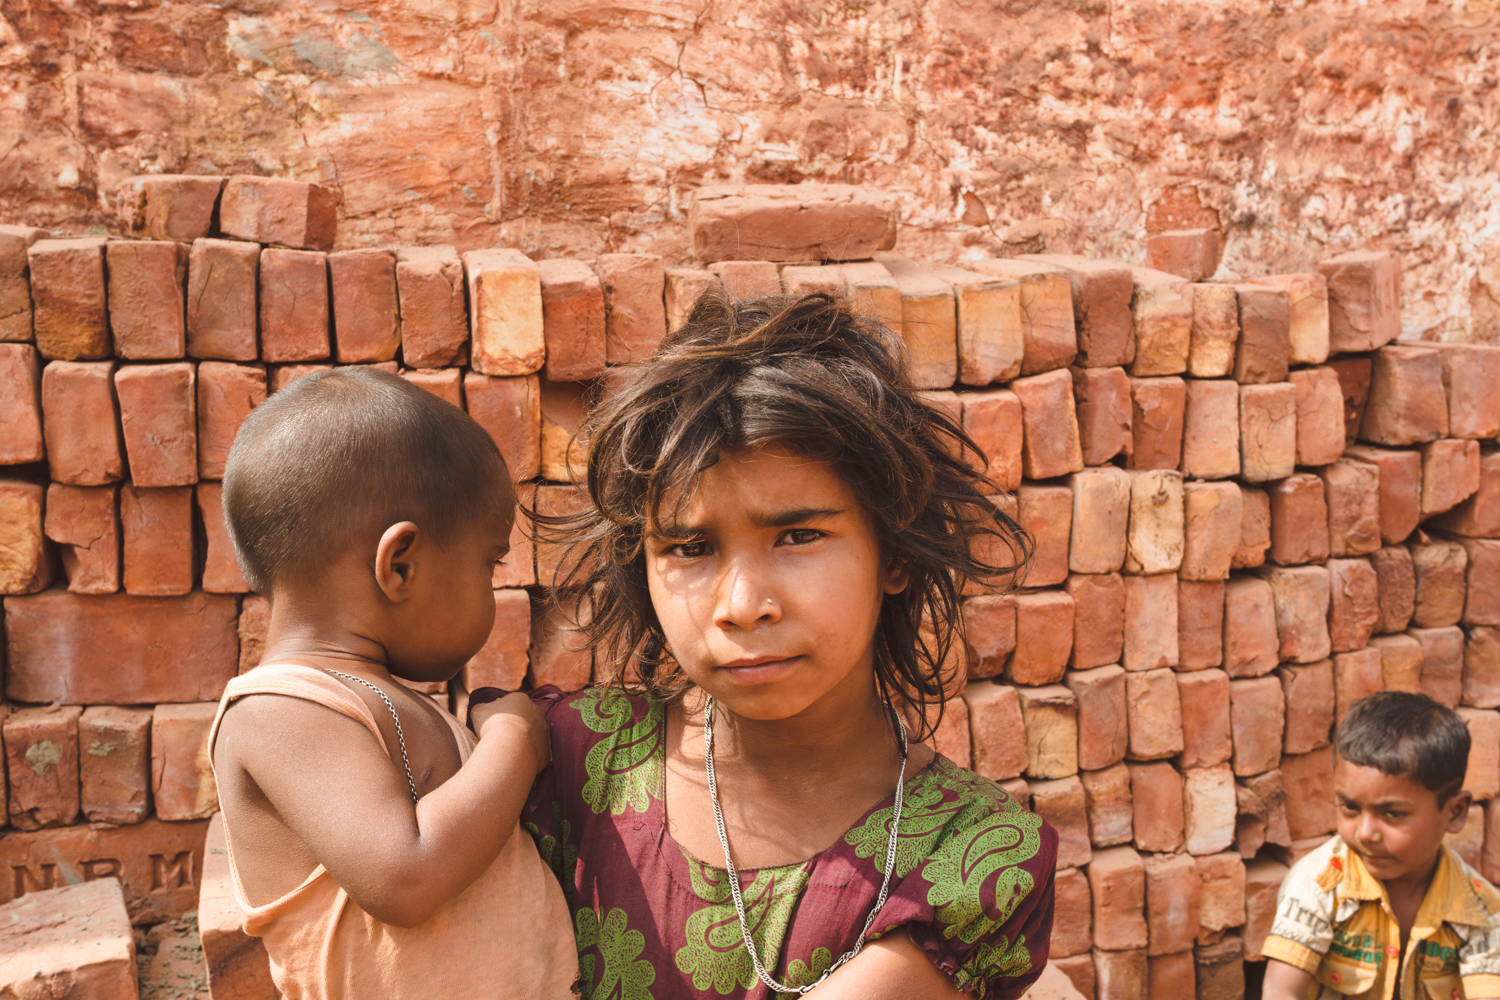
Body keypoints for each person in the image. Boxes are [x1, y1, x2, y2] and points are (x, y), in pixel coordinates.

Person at [475, 292, 1058, 999]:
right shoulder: (569, 762)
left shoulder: (972, 858)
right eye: (689, 548)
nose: (743, 607)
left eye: (798, 536)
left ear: (894, 553)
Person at [208, 367, 578, 999]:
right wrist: (516, 740)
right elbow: (406, 878)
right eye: (489, 563)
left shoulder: (387, 697)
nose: (493, 590)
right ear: (399, 565)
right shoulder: (278, 710)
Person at [1262, 691, 1500, 1000]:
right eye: (1349, 807)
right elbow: (1280, 990)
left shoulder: (1481, 910)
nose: (1365, 833)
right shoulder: (1318, 884)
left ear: (1454, 812)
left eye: (1392, 814)